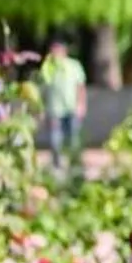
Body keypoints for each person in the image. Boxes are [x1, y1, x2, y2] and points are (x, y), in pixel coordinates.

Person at [38, 39, 87, 168]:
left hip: (72, 108)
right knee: (55, 140)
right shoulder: (47, 68)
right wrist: (41, 109)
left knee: (74, 139)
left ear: (64, 51)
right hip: (54, 109)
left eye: (58, 50)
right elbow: (43, 91)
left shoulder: (74, 66)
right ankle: (57, 165)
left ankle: (75, 165)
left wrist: (81, 105)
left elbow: (80, 87)